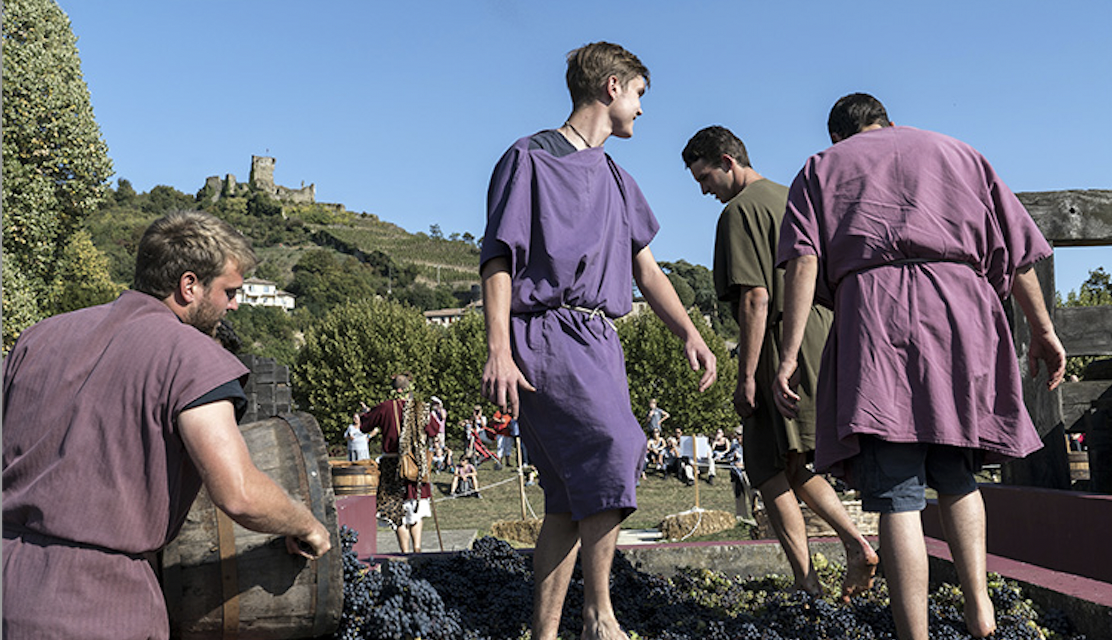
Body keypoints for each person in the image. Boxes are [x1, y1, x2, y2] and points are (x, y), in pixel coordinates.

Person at [772, 93, 1067, 640]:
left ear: (841, 136)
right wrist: (1044, 331)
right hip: (962, 315)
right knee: (957, 477)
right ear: (884, 119)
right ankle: (981, 612)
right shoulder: (960, 154)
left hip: (877, 321)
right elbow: (1018, 250)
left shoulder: (821, 167)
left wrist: (788, 356)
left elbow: (804, 262)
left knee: (898, 494)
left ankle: (916, 635)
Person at [479, 41, 717, 640]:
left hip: (599, 339)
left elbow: (648, 271)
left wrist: (688, 330)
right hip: (545, 331)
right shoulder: (528, 157)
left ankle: (545, 632)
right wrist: (498, 348)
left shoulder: (617, 177)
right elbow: (498, 260)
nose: (641, 109)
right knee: (618, 445)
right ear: (612, 87)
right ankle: (599, 615)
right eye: (639, 94)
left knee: (567, 498)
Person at [2, 211, 331, 639]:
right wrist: (304, 523)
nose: (234, 304)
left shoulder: (37, 337)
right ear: (189, 285)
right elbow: (240, 494)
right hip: (100, 606)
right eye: (229, 291)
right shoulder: (190, 356)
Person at [683, 124, 879, 599]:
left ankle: (807, 581)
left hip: (777, 339)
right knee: (793, 460)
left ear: (728, 162)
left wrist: (746, 377)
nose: (705, 190)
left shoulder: (739, 212)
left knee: (765, 467)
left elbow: (755, 297)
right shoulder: (793, 195)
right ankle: (855, 545)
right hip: (822, 332)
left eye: (705, 177)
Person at [361, 373, 439, 553]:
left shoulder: (384, 407)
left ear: (394, 389)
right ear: (408, 389)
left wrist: (366, 413)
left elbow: (365, 426)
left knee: (396, 512)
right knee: (415, 507)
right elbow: (434, 430)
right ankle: (416, 550)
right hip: (415, 463)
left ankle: (404, 552)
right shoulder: (420, 407)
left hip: (391, 465)